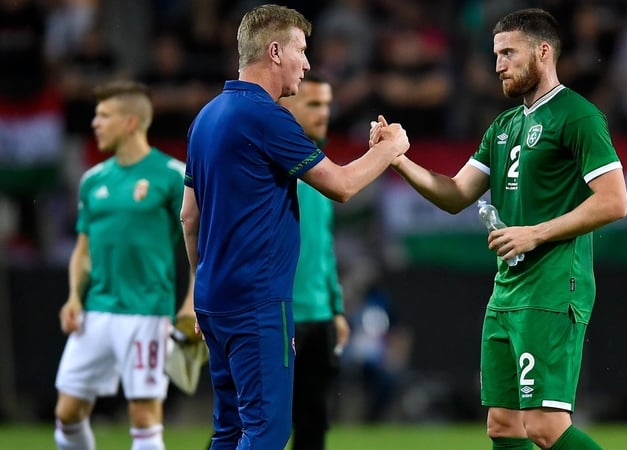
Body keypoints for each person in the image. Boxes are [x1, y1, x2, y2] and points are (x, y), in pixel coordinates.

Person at [374, 8, 627, 450]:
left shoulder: (578, 116)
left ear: (543, 51)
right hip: (508, 290)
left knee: (545, 428)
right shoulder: (505, 125)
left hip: (553, 288)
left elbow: (614, 201)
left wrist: (535, 233)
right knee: (503, 426)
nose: (498, 64)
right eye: (496, 54)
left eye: (509, 52)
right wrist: (397, 159)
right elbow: (455, 194)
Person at [179, 5, 409, 450]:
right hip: (257, 302)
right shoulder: (266, 117)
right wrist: (391, 149)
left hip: (215, 300)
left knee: (229, 430)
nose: (306, 62)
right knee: (267, 433)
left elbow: (189, 216)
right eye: (301, 51)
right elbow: (341, 186)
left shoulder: (205, 117)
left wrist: (202, 283)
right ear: (275, 51)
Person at [54, 80, 195, 450]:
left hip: (147, 312)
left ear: (131, 122)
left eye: (103, 116)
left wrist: (192, 300)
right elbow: (83, 250)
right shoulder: (92, 180)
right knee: (67, 413)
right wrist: (73, 297)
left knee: (144, 416)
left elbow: (201, 242)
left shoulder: (173, 175)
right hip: (95, 310)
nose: (95, 124)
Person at [277, 71, 350, 450]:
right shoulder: (273, 167)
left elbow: (323, 250)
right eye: (314, 104)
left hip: (319, 316)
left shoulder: (323, 170)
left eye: (327, 104)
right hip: (279, 313)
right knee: (256, 424)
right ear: (288, 105)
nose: (324, 112)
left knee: (313, 426)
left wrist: (336, 308)